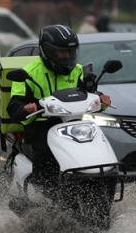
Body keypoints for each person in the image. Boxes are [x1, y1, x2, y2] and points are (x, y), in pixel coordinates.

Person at [7, 25, 111, 193]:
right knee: (46, 153)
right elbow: (14, 105)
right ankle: (43, 190)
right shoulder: (28, 73)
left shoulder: (79, 71)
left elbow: (90, 94)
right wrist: (26, 108)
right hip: (41, 125)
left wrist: (102, 99)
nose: (67, 56)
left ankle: (103, 180)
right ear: (46, 51)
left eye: (71, 52)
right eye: (62, 52)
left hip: (74, 123)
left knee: (96, 144)